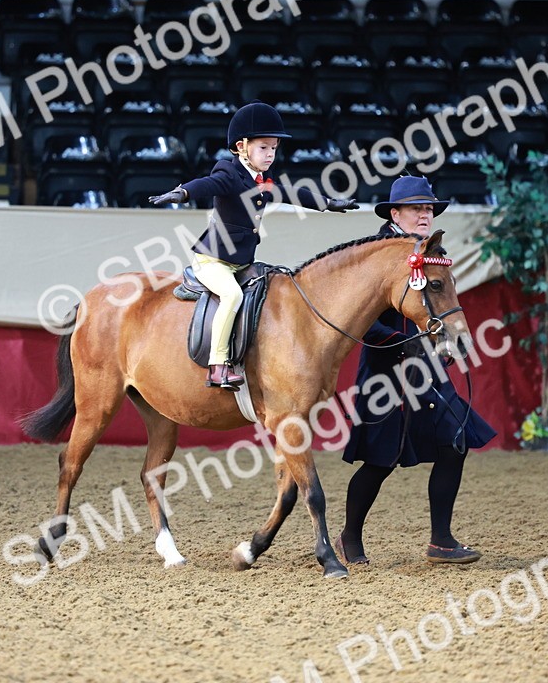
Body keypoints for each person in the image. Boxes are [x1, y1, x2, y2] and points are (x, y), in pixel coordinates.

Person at [339, 175, 497, 565]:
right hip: (384, 372)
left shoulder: (430, 252)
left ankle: (441, 540)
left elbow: (439, 303)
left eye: (429, 208)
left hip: (427, 370)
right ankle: (348, 536)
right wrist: (402, 341)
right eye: (417, 208)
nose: (425, 214)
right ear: (395, 214)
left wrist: (445, 340)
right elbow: (360, 319)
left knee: (454, 441)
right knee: (380, 462)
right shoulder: (373, 253)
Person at [149, 101, 357, 390]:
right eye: (264, 147)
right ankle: (218, 365)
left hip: (241, 262)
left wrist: (329, 203)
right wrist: (183, 192)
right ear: (241, 146)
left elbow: (291, 194)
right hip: (213, 261)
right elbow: (206, 184)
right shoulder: (228, 173)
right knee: (232, 296)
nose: (270, 154)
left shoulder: (261, 180)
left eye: (273, 148)